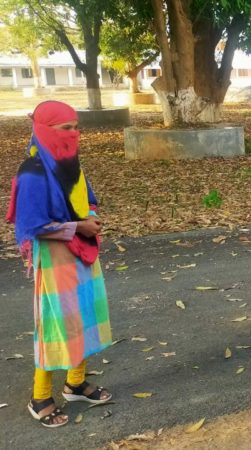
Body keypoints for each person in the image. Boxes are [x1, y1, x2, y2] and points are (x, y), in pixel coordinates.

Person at [6, 100, 113, 428]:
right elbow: (33, 224)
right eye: (65, 128)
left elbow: (87, 199)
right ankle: (40, 397)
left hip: (83, 251)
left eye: (76, 128)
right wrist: (78, 227)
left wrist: (90, 218)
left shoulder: (71, 164)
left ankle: (75, 384)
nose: (73, 134)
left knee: (85, 315)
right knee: (56, 324)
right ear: (44, 129)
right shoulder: (33, 172)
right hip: (55, 257)